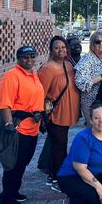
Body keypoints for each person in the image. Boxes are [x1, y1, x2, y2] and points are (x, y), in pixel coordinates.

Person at [0, 45, 45, 204]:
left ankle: (14, 191)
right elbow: (5, 104)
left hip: (32, 127)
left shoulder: (33, 75)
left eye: (31, 56)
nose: (28, 60)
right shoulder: (12, 76)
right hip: (18, 128)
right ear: (18, 59)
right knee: (12, 164)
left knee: (23, 162)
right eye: (24, 57)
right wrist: (9, 126)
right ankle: (6, 197)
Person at [37, 36, 81, 190]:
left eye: (63, 47)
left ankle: (53, 174)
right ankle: (57, 178)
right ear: (51, 50)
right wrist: (42, 115)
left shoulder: (68, 64)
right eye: (57, 47)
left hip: (67, 112)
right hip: (55, 114)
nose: (61, 50)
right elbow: (39, 93)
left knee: (59, 144)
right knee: (59, 147)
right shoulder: (47, 69)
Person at [75, 30, 102, 125]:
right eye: (97, 41)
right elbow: (80, 83)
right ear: (92, 43)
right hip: (92, 104)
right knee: (95, 132)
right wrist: (101, 76)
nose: (101, 43)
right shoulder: (87, 60)